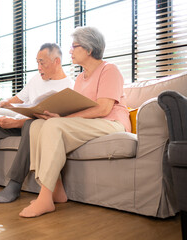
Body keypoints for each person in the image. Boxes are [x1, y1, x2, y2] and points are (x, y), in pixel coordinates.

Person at [19, 26, 131, 217]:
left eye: (74, 46)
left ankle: (44, 198)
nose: (69, 51)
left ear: (88, 49)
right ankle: (56, 191)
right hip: (90, 123)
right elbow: (77, 107)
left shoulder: (109, 70)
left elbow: (104, 108)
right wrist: (56, 114)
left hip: (111, 122)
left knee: (53, 125)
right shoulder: (80, 77)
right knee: (38, 125)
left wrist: (63, 119)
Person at [0, 43, 74, 203]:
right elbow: (19, 98)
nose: (39, 67)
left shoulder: (68, 86)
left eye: (42, 62)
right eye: (37, 62)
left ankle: (14, 184)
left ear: (57, 62)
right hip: (24, 123)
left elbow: (54, 121)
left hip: (39, 128)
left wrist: (15, 123)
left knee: (31, 126)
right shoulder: (37, 79)